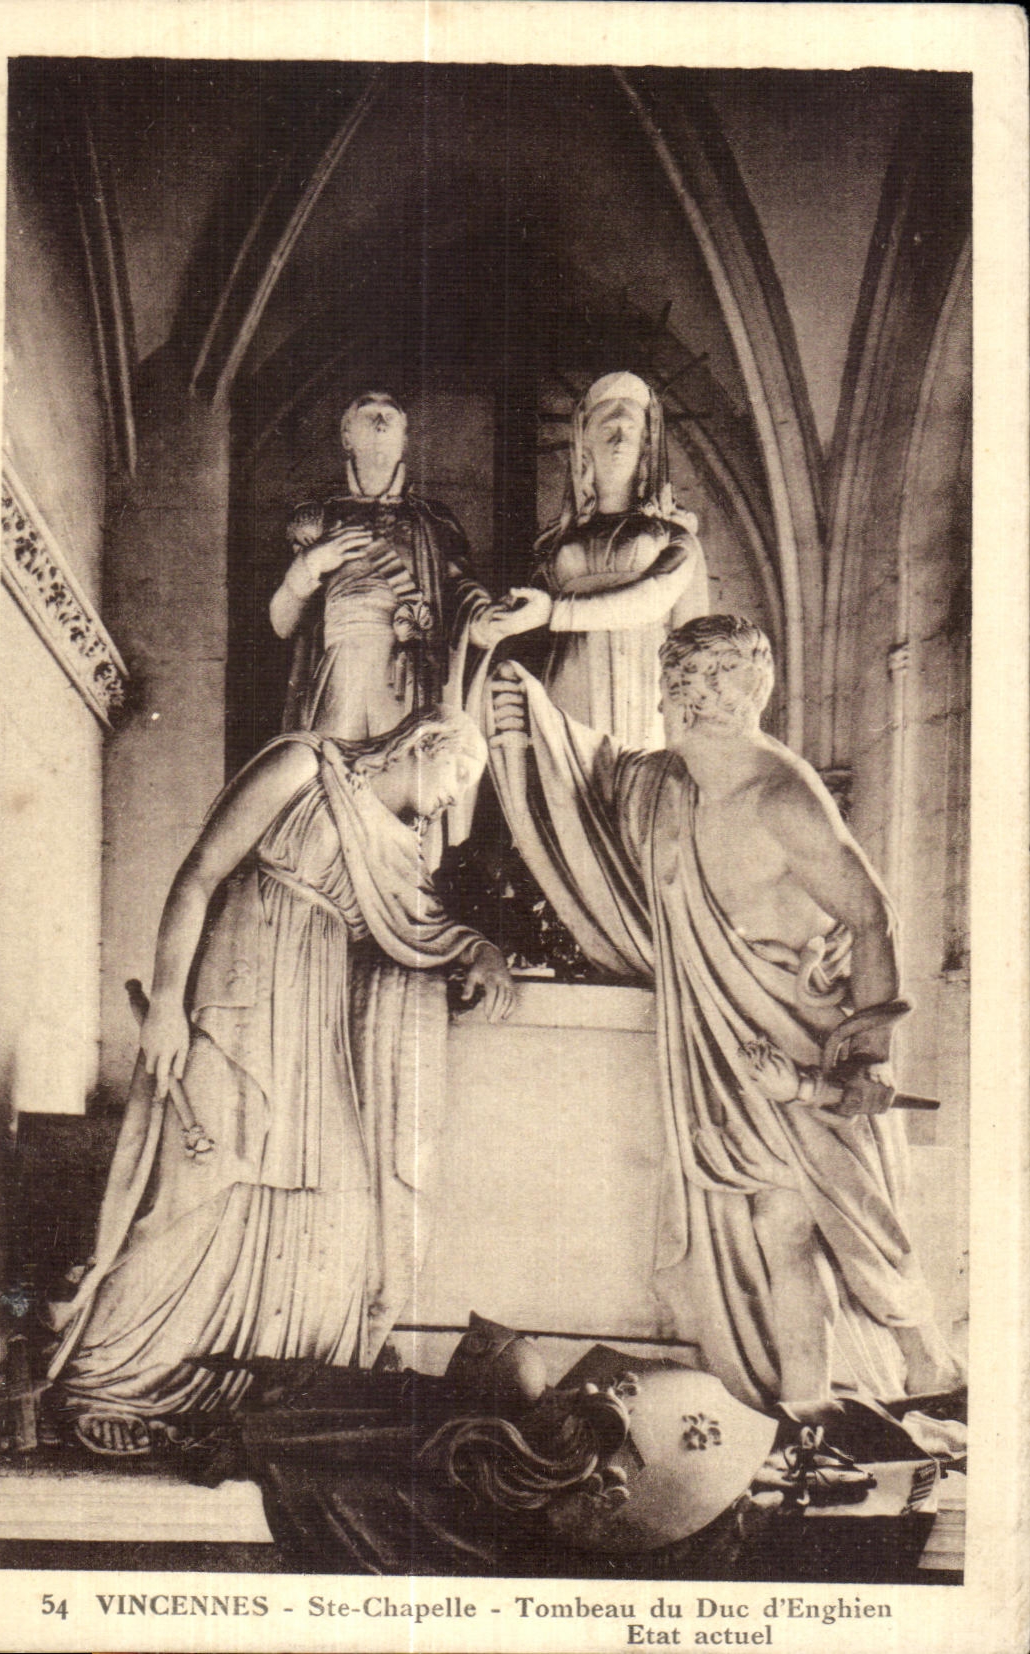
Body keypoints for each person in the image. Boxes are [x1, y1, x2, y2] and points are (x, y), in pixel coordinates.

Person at [486, 616, 962, 1415]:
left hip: (801, 1037)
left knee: (858, 1225)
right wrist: (531, 720)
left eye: (707, 683)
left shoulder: (781, 796)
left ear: (745, 695)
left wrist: (863, 1062)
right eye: (680, 681)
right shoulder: (672, 782)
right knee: (778, 1223)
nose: (688, 698)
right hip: (728, 1046)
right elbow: (603, 772)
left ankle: (929, 1369)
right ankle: (808, 1405)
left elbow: (873, 916)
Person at [49, 707, 514, 1455]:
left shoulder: (405, 845)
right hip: (240, 999)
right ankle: (116, 1378)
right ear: (424, 745)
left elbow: (418, 933)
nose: (453, 798)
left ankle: (261, 1383)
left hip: (318, 1019)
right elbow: (200, 873)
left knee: (340, 1203)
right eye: (458, 775)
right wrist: (167, 1002)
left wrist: (478, 948)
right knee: (200, 1188)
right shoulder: (305, 763)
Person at [269, 390, 550, 742]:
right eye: (367, 410)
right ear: (346, 436)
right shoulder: (317, 520)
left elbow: (461, 594)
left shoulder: (433, 522)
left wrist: (484, 620)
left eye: (391, 412)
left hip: (409, 677)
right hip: (340, 675)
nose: (380, 418)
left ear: (404, 439)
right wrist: (311, 564)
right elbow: (282, 622)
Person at [534, 372, 710, 748]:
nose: (617, 441)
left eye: (628, 432)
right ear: (585, 448)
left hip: (642, 677)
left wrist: (554, 612)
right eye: (607, 430)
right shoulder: (552, 548)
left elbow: (653, 599)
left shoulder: (671, 537)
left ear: (646, 448)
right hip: (570, 681)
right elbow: (526, 640)